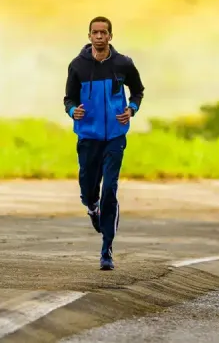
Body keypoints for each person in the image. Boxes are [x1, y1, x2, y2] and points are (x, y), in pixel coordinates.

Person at [63, 16, 145, 270]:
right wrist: (73, 110)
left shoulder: (123, 64)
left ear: (111, 36)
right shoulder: (77, 66)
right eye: (95, 33)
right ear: (89, 36)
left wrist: (131, 109)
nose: (99, 36)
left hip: (115, 136)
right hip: (88, 136)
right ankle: (91, 206)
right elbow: (68, 99)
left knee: (110, 188)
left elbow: (138, 91)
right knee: (89, 188)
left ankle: (107, 249)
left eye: (103, 33)